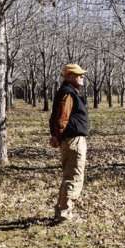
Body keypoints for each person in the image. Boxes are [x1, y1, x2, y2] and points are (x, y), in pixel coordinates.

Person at [49, 64, 89, 222]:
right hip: (73, 141)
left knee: (69, 175)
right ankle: (65, 214)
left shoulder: (67, 92)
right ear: (70, 76)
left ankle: (62, 210)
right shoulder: (68, 94)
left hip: (70, 140)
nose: (82, 77)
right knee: (74, 176)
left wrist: (56, 136)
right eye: (79, 75)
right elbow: (61, 118)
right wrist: (57, 136)